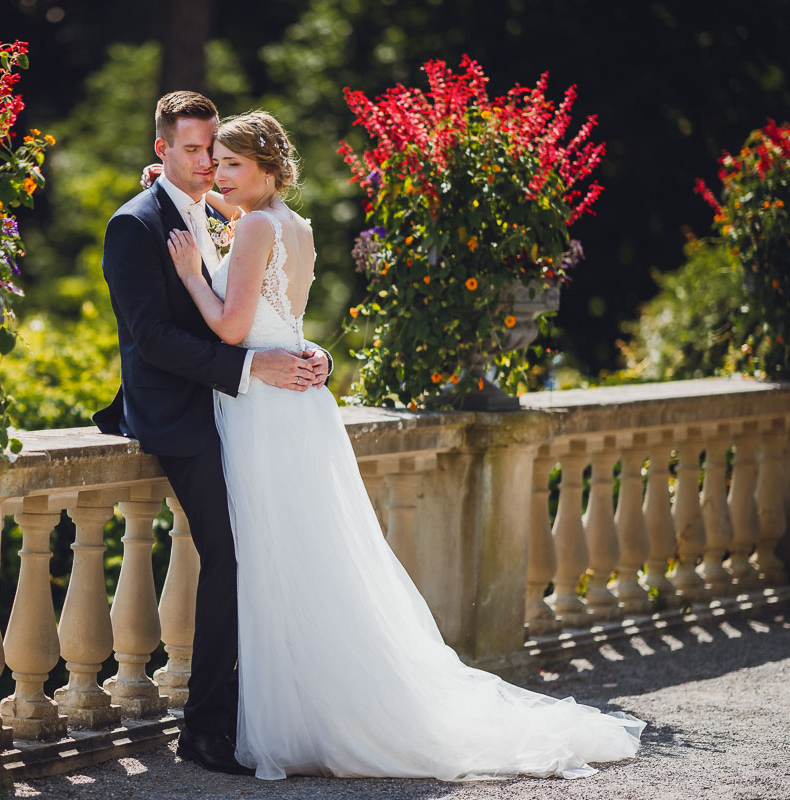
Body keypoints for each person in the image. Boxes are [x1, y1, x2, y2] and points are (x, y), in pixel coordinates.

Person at [162, 109, 646, 781]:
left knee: (274, 561)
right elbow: (283, 315)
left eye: (233, 164)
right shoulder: (293, 225)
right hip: (300, 404)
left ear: (267, 169)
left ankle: (296, 718)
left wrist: (190, 273)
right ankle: (312, 706)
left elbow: (230, 326)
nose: (219, 174)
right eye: (216, 162)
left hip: (261, 409)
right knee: (307, 558)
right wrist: (188, 190)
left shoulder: (252, 232)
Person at [93, 91, 331, 776]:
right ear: (162, 148)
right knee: (230, 559)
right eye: (194, 151)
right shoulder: (134, 225)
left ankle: (239, 716)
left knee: (256, 558)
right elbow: (153, 339)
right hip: (182, 417)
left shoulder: (220, 211)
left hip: (242, 410)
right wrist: (255, 366)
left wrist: (313, 356)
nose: (206, 165)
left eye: (214, 152)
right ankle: (205, 730)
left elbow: (266, 301)